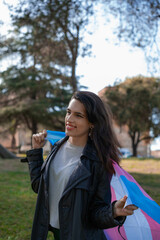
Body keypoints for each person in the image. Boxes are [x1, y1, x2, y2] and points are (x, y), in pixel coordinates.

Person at [26, 91, 138, 240]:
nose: (69, 119)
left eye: (78, 115)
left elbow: (95, 212)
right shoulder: (57, 147)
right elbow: (39, 187)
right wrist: (35, 153)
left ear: (91, 123)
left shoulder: (98, 162)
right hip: (52, 230)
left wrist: (113, 212)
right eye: (68, 112)